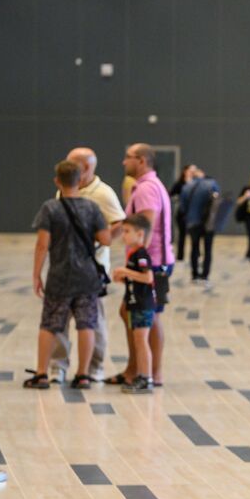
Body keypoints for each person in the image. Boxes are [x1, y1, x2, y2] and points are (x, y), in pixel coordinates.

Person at [25, 160, 111, 390]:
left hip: (59, 276)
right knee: (86, 324)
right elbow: (106, 239)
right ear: (80, 180)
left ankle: (42, 373)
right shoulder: (92, 208)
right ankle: (83, 374)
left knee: (50, 324)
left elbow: (43, 244)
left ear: (57, 181)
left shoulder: (50, 208)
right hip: (87, 278)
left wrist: (36, 274)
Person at [49, 147, 125, 385]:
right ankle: (58, 367)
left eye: (71, 165)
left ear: (85, 168)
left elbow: (119, 223)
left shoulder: (103, 193)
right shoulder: (63, 190)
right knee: (59, 320)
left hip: (91, 270)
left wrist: (95, 244)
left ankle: (93, 368)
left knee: (92, 321)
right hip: (63, 267)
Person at [110, 143, 174, 389]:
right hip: (153, 261)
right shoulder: (148, 186)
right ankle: (134, 369)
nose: (124, 162)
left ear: (142, 161)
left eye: (128, 157)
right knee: (131, 312)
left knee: (149, 316)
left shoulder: (147, 189)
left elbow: (144, 227)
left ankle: (151, 373)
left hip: (154, 263)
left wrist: (136, 265)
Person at [111, 214, 157, 394]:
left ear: (140, 234)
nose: (123, 235)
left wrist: (125, 271)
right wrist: (124, 278)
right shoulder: (133, 254)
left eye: (127, 231)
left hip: (143, 305)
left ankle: (146, 378)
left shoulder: (141, 254)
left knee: (141, 341)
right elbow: (136, 280)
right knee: (138, 341)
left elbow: (148, 277)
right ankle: (142, 375)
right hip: (135, 303)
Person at [181, 167, 219, 285]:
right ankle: (205, 276)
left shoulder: (186, 187)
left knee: (194, 248)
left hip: (193, 222)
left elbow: (183, 208)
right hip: (209, 223)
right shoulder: (212, 184)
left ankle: (195, 275)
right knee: (208, 250)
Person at [170, 164, 195, 261]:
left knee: (194, 235)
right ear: (185, 171)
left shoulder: (196, 183)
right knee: (182, 234)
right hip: (182, 212)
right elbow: (171, 194)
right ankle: (180, 255)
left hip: (193, 213)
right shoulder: (179, 184)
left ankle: (196, 255)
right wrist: (178, 199)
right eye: (190, 170)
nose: (192, 172)